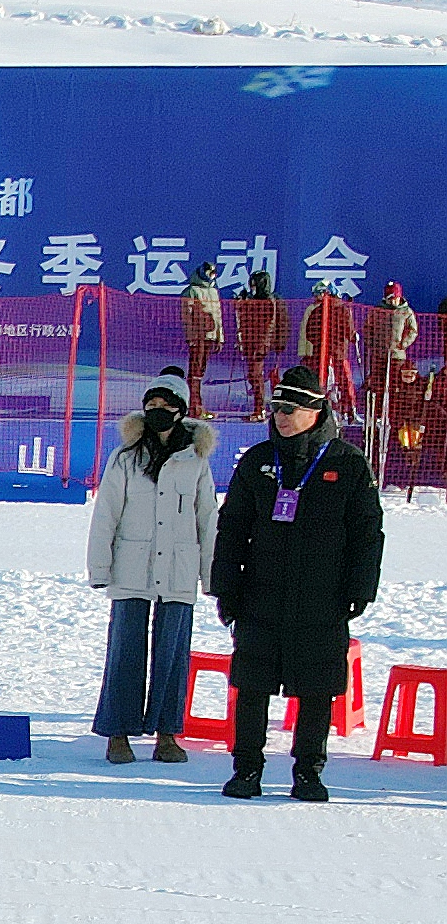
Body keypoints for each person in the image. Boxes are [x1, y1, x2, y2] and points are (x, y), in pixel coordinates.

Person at [210, 367, 383, 802]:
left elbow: (367, 532)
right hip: (261, 594)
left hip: (323, 597)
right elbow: (232, 528)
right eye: (276, 408)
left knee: (317, 687)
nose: (281, 417)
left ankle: (308, 772)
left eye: (290, 409)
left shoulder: (346, 462)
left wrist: (360, 589)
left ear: (315, 410)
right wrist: (226, 587)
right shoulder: (258, 460)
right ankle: (246, 769)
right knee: (252, 684)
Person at [85, 368, 217, 764]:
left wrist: (211, 575)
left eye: (165, 405)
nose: (157, 411)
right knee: (125, 651)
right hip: (131, 568)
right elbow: (105, 514)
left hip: (177, 571)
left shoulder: (195, 460)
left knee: (172, 654)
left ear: (181, 411)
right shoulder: (125, 457)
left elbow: (207, 519)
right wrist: (100, 568)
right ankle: (118, 732)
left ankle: (167, 733)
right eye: (151, 404)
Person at [300, 281, 357, 421]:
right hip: (338, 353)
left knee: (320, 382)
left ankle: (318, 408)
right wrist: (352, 337)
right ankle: (349, 409)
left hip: (321, 355)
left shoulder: (317, 311)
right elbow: (349, 332)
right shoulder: (343, 310)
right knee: (344, 381)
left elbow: (309, 333)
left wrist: (318, 344)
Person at [237, 269, 284, 419]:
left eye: (254, 283)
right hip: (250, 342)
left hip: (260, 345)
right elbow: (244, 318)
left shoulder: (269, 301)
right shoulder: (253, 299)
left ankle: (260, 409)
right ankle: (260, 408)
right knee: (253, 375)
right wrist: (242, 302)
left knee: (257, 375)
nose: (252, 286)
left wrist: (262, 345)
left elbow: (268, 325)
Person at [373, 282, 419, 430]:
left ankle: (394, 416)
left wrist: (403, 344)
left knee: (395, 387)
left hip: (397, 356)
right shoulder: (379, 310)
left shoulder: (406, 312)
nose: (392, 302)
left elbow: (413, 331)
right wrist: (373, 343)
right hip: (380, 354)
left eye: (394, 298)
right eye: (389, 299)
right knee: (378, 386)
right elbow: (369, 327)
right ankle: (378, 415)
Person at [181, 263, 225, 416]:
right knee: (195, 370)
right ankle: (194, 406)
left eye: (213, 273)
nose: (212, 276)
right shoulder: (191, 291)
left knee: (201, 371)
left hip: (210, 336)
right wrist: (191, 336)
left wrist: (220, 338)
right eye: (209, 272)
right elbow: (187, 316)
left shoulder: (213, 291)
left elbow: (218, 316)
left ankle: (198, 405)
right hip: (197, 337)